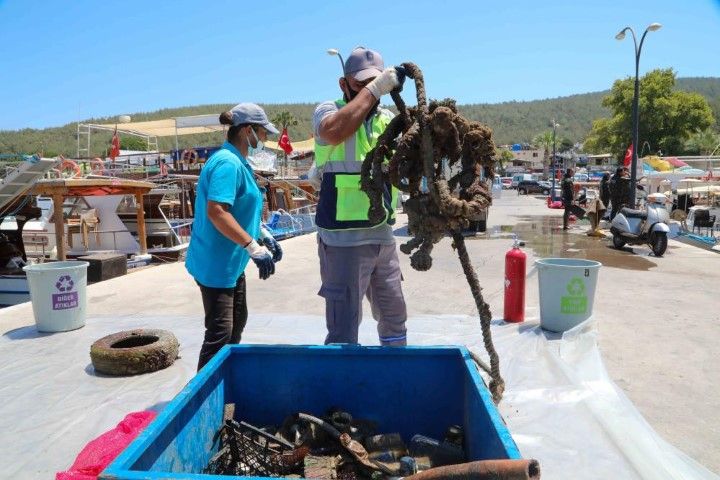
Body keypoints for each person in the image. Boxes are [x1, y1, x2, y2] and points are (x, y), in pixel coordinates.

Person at [312, 46, 408, 346]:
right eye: (361, 83)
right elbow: (332, 133)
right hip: (343, 242)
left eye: (376, 82)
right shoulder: (328, 110)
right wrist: (375, 90)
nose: (370, 90)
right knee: (344, 327)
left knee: (394, 316)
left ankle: (395, 378)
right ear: (344, 84)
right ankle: (342, 390)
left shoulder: (387, 119)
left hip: (382, 237)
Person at [186, 103, 283, 370]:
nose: (264, 140)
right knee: (220, 335)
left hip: (231, 264)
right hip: (216, 265)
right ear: (248, 131)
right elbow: (217, 212)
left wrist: (262, 234)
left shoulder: (238, 161)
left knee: (235, 326)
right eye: (263, 134)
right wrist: (251, 245)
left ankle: (227, 389)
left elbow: (242, 207)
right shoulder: (227, 163)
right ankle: (202, 401)